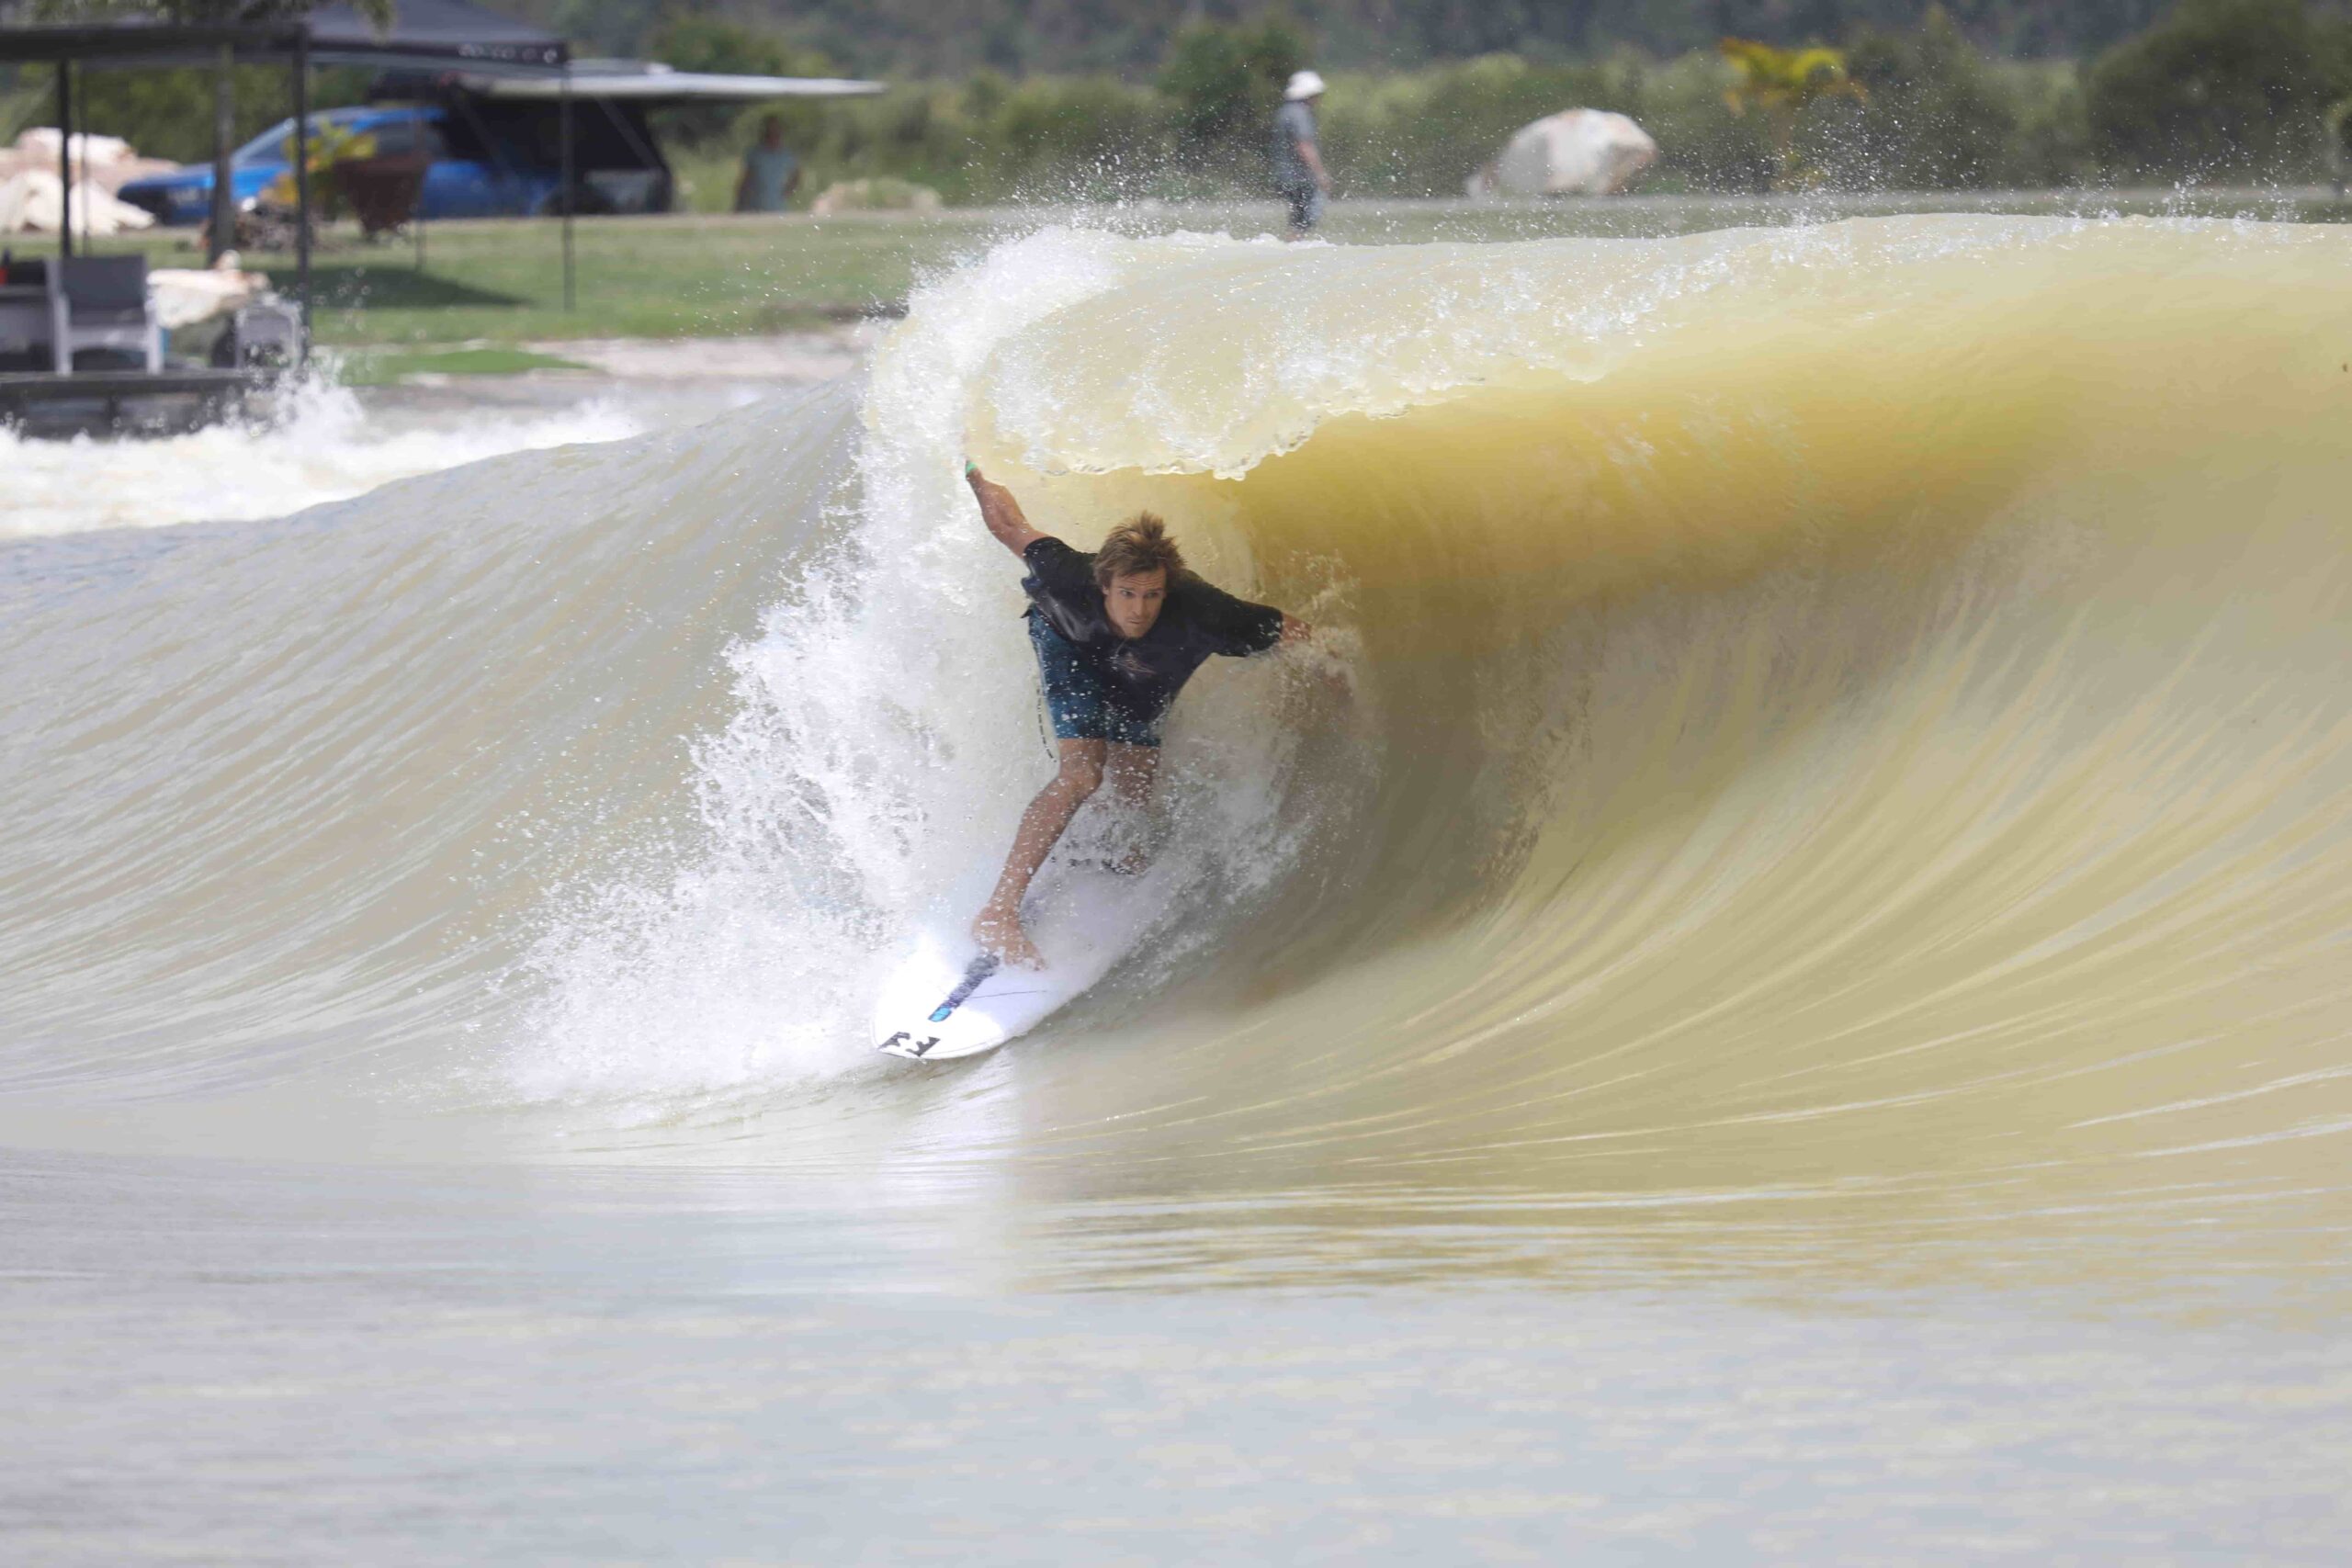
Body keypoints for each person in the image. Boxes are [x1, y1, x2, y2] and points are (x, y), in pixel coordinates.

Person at [965, 463, 1312, 968]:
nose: (1140, 609)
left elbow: (1293, 632)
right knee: (1084, 771)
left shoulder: (1201, 609)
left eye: (1152, 595)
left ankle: (1111, 853)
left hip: (1149, 665)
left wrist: (1338, 674)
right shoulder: (1066, 574)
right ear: (1104, 585)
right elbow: (1009, 525)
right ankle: (997, 912)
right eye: (1127, 594)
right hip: (1069, 643)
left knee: (1134, 779)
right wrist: (974, 469)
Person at [1271, 70, 1332, 240]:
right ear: (1309, 94)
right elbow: (1304, 145)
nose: (1318, 99)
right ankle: (1291, 251)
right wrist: (1320, 174)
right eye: (1317, 95)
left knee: (1296, 220)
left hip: (1285, 176)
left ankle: (1290, 249)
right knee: (1303, 222)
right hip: (1300, 177)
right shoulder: (1300, 113)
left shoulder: (1284, 112)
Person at [734, 115, 800, 214]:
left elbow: (797, 174)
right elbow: (745, 179)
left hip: (777, 207)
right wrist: (739, 202)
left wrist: (788, 191)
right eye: (770, 132)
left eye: (776, 132)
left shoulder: (786, 155)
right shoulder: (755, 154)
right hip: (755, 207)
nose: (773, 135)